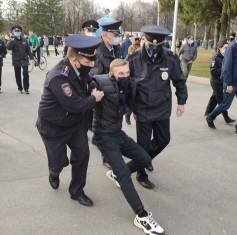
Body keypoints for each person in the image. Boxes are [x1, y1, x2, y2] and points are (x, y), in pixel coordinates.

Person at [92, 59, 164, 234]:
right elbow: (85, 80)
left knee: (144, 158)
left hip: (117, 133)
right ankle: (142, 216)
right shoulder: (100, 82)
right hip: (104, 136)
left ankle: (117, 174)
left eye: (127, 73)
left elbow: (144, 86)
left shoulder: (129, 85)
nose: (124, 76)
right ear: (112, 73)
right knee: (125, 176)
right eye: (120, 73)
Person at [36, 34, 104, 207]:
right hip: (53, 127)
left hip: (74, 124)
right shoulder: (59, 77)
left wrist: (94, 86)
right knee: (59, 161)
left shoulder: (79, 69)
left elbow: (88, 79)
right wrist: (94, 98)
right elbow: (75, 104)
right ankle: (54, 171)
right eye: (88, 63)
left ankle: (77, 191)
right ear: (74, 59)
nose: (92, 65)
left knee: (82, 155)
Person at [127, 25, 188, 189]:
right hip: (142, 108)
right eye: (151, 45)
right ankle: (141, 174)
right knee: (143, 144)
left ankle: (144, 159)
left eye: (157, 46)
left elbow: (179, 81)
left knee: (164, 139)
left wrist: (181, 101)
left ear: (162, 44)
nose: (154, 49)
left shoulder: (170, 58)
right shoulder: (133, 59)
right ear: (144, 40)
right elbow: (124, 84)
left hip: (162, 107)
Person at [206, 24, 237, 137]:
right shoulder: (232, 47)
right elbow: (226, 67)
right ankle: (210, 117)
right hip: (232, 82)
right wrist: (228, 83)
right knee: (225, 105)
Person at [90, 17, 123, 168]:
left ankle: (105, 146)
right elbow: (94, 78)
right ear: (104, 35)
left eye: (118, 34)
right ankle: (107, 158)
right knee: (106, 130)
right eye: (114, 35)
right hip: (105, 99)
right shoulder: (98, 53)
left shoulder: (116, 49)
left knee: (113, 128)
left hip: (115, 97)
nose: (117, 37)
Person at [204, 40, 235, 124]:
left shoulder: (228, 57)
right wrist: (225, 70)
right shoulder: (215, 57)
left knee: (214, 97)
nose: (227, 49)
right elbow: (213, 71)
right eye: (225, 47)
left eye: (228, 48)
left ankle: (207, 112)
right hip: (216, 82)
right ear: (220, 48)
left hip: (223, 82)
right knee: (222, 101)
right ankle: (226, 117)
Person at [6, 25, 33, 94]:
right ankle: (20, 88)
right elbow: (8, 48)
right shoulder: (12, 40)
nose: (17, 32)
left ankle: (26, 88)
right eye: (15, 31)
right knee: (17, 75)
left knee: (25, 74)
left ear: (20, 32)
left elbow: (28, 50)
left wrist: (32, 58)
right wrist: (10, 40)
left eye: (18, 31)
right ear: (13, 32)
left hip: (24, 59)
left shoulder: (24, 39)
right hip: (16, 60)